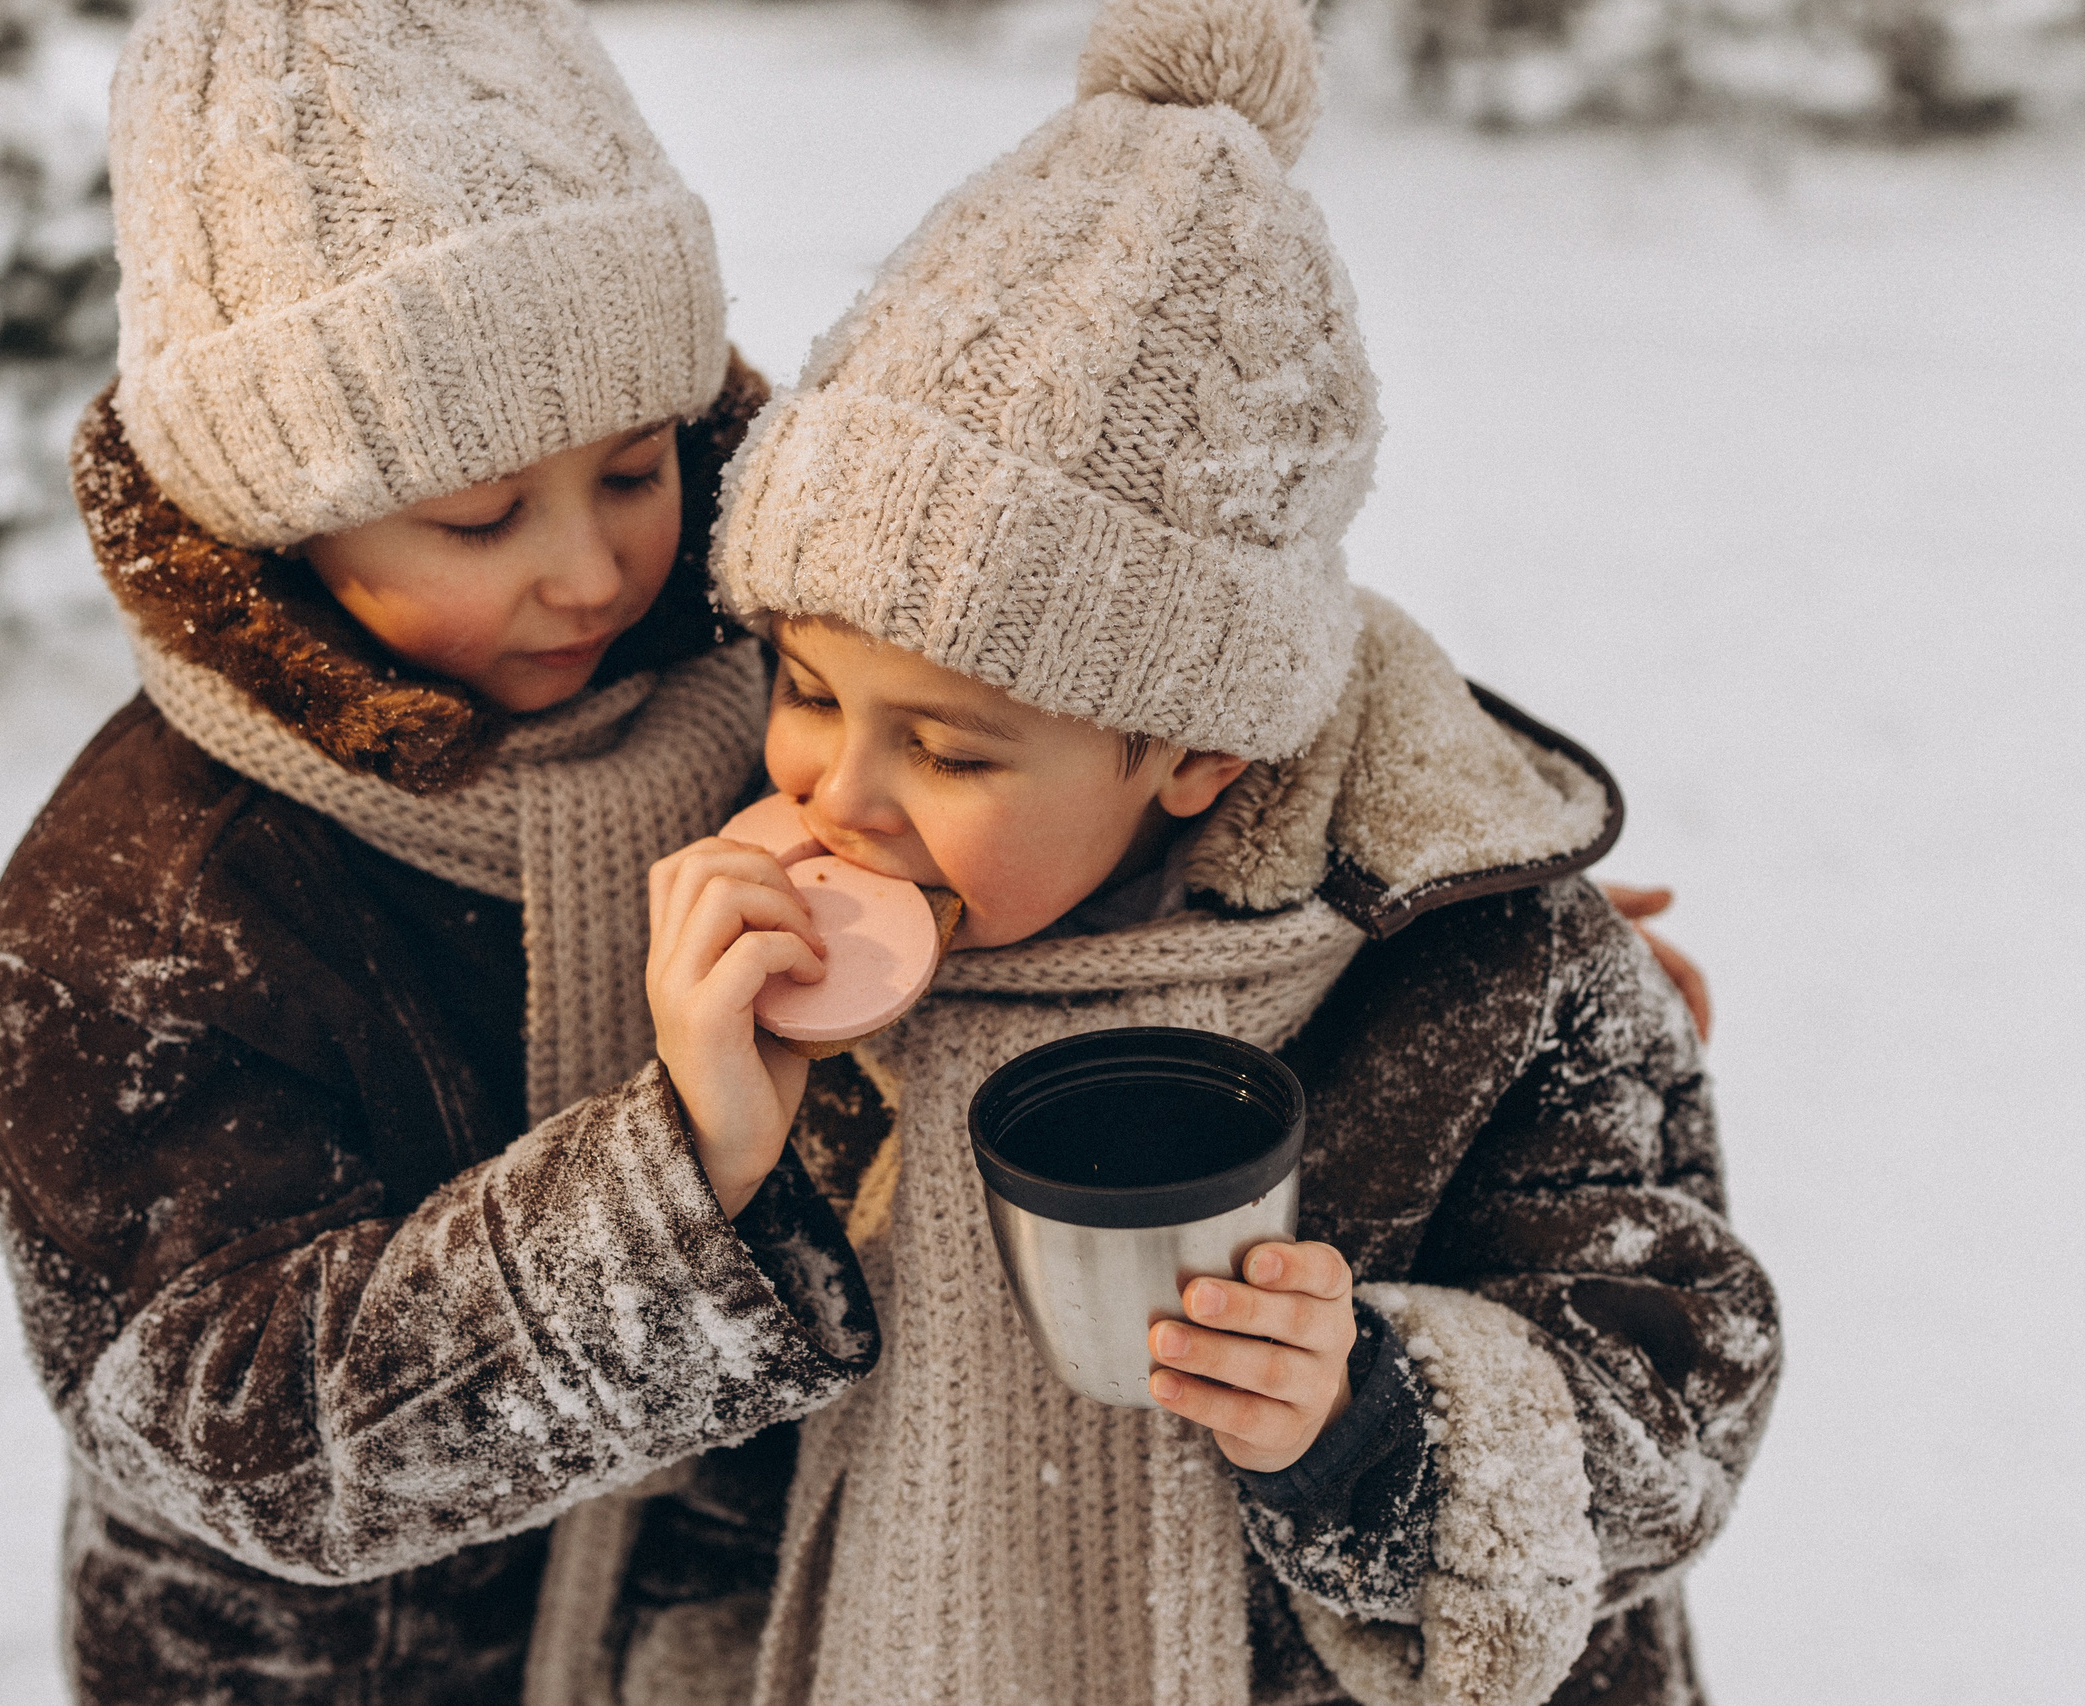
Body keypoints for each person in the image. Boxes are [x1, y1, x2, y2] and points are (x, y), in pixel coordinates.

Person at [630, 1, 1780, 1701]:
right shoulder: (754, 936)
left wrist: (1376, 1422)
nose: (840, 793)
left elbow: (1686, 1382)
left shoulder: (1477, 973)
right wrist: (704, 1172)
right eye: (805, 686)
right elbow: (702, 1487)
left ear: (1192, 752)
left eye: (950, 747)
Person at [0, 2, 884, 1698]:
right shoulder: (154, 902)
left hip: (696, 1628)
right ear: (278, 525)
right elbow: (228, 1434)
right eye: (477, 519)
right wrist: (674, 1183)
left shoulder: (795, 688)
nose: (591, 574)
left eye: (636, 468)